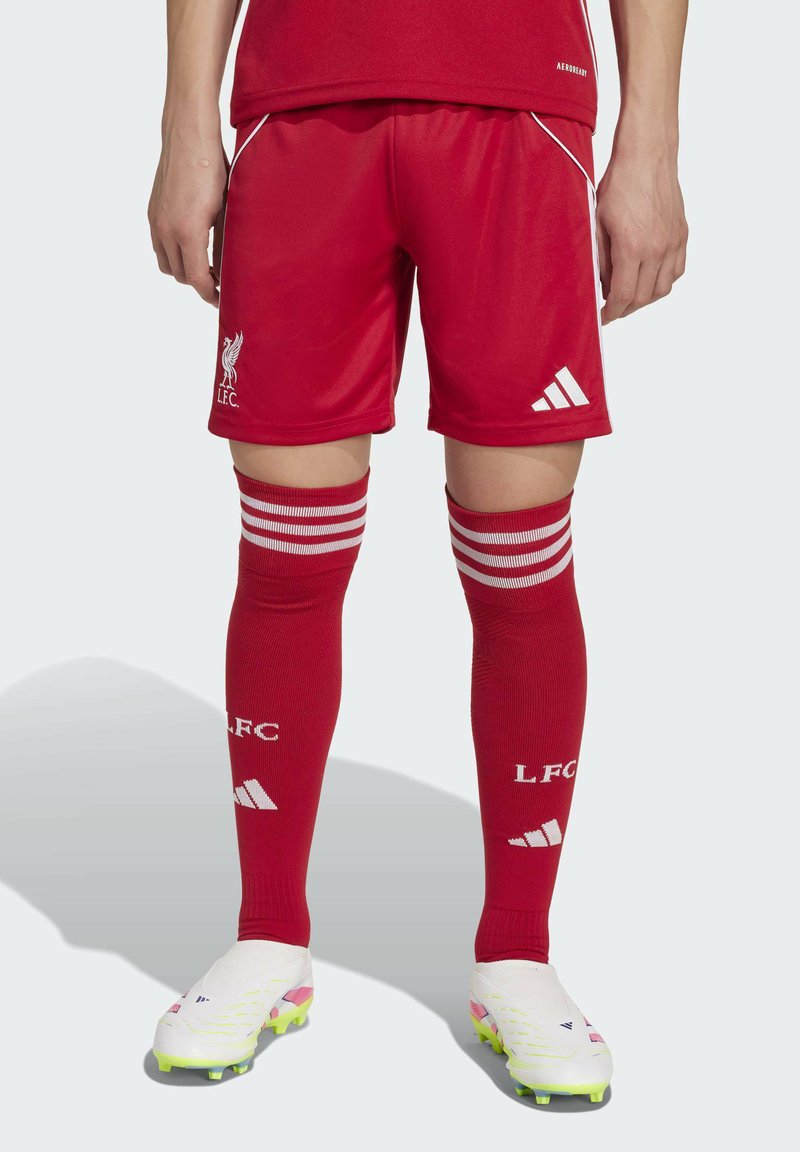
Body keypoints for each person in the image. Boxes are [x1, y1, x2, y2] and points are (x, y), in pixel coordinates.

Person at [148, 0, 688, 1099]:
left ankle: (517, 952)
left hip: (515, 108)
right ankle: (268, 935)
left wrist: (650, 143)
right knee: (287, 558)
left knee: (518, 561)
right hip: (301, 105)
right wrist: (184, 124)